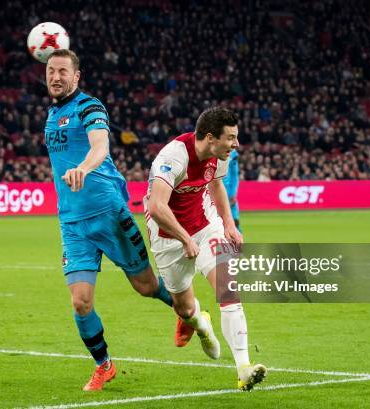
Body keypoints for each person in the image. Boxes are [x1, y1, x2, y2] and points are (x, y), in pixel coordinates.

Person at [44, 49, 173, 391]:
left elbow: (100, 146)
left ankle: (185, 309)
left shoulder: (90, 106)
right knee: (80, 301)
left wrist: (83, 168)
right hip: (73, 224)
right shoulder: (50, 115)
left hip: (111, 215)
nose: (55, 77)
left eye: (62, 71)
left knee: (146, 287)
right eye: (50, 71)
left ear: (76, 77)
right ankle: (104, 365)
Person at [145, 107, 267, 391]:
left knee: (228, 290)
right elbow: (156, 206)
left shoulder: (218, 156)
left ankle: (244, 369)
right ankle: (200, 324)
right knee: (184, 307)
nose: (236, 144)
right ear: (211, 138)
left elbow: (216, 186)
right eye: (231, 138)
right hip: (167, 234)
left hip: (205, 225)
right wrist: (185, 239)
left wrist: (229, 224)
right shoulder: (173, 157)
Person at [223, 149, 241, 231]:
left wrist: (233, 193)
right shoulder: (211, 151)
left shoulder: (233, 154)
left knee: (235, 220)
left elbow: (234, 175)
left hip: (228, 192)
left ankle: (237, 240)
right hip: (213, 192)